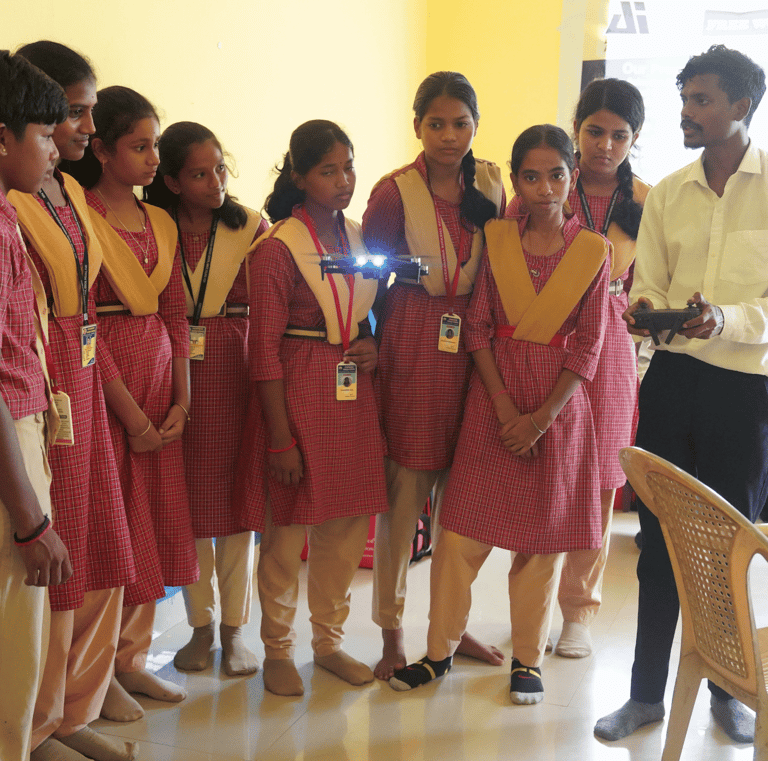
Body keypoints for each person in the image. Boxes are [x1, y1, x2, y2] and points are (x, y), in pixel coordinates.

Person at [390, 125, 609, 705]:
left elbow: (589, 345)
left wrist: (539, 419)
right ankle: (438, 653)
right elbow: (478, 326)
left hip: (557, 412)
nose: (545, 189)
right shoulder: (499, 239)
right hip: (493, 404)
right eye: (531, 177)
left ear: (572, 177)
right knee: (458, 535)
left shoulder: (593, 251)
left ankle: (528, 661)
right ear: (515, 180)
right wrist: (506, 406)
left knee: (540, 546)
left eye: (556, 175)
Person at [594, 45, 768, 745]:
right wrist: (651, 311)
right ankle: (644, 694)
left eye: (701, 100)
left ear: (741, 106)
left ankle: (729, 690)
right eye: (685, 99)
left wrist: (724, 318)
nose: (686, 113)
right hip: (672, 384)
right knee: (659, 543)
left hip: (747, 393)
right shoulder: (666, 193)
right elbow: (648, 287)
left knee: (729, 546)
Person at [13, 41, 141, 761]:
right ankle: (35, 725)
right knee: (56, 560)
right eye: (73, 112)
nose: (88, 127)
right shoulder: (15, 198)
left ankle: (72, 707)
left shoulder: (65, 189)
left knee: (99, 541)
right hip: (47, 380)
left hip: (84, 377)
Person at [362, 71, 505, 681]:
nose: (450, 136)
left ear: (476, 125)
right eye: (437, 124)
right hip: (415, 346)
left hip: (476, 350)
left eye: (461, 123)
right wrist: (366, 339)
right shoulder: (394, 192)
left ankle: (449, 626)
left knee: (462, 508)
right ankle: (391, 631)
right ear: (417, 126)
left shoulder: (491, 185)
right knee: (403, 502)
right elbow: (366, 278)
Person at [236, 119, 387, 697]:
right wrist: (280, 439)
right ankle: (278, 648)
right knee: (285, 534)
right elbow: (262, 352)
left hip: (352, 398)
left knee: (346, 529)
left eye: (349, 167)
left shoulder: (358, 238)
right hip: (296, 398)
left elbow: (361, 311)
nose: (344, 180)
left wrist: (371, 342)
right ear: (299, 176)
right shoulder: (278, 249)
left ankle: (329, 642)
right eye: (328, 171)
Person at [68, 86, 197, 722]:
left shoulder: (162, 222)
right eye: (139, 146)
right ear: (101, 150)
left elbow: (176, 313)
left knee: (154, 522)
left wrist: (182, 400)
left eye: (155, 146)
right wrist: (133, 417)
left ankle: (132, 658)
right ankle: (94, 673)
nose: (153, 159)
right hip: (109, 390)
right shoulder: (81, 215)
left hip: (160, 388)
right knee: (113, 528)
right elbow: (87, 323)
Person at [145, 121, 268, 676]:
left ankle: (236, 630)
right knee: (187, 505)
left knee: (238, 505)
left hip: (235, 368)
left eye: (220, 168)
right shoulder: (154, 227)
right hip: (173, 371)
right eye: (199, 174)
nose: (216, 182)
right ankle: (200, 626)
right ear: (171, 181)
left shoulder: (251, 229)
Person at [546, 78, 649, 658]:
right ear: (576, 129)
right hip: (549, 336)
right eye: (594, 131)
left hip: (611, 349)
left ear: (634, 140)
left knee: (600, 482)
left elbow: (657, 282)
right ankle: (532, 602)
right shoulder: (548, 182)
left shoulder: (650, 201)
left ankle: (578, 611)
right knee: (546, 472)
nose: (605, 145)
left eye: (619, 135)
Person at [0, 48, 74, 761]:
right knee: (11, 643)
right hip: (8, 445)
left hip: (22, 428)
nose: (55, 150)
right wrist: (28, 518)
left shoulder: (7, 212)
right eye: (46, 134)